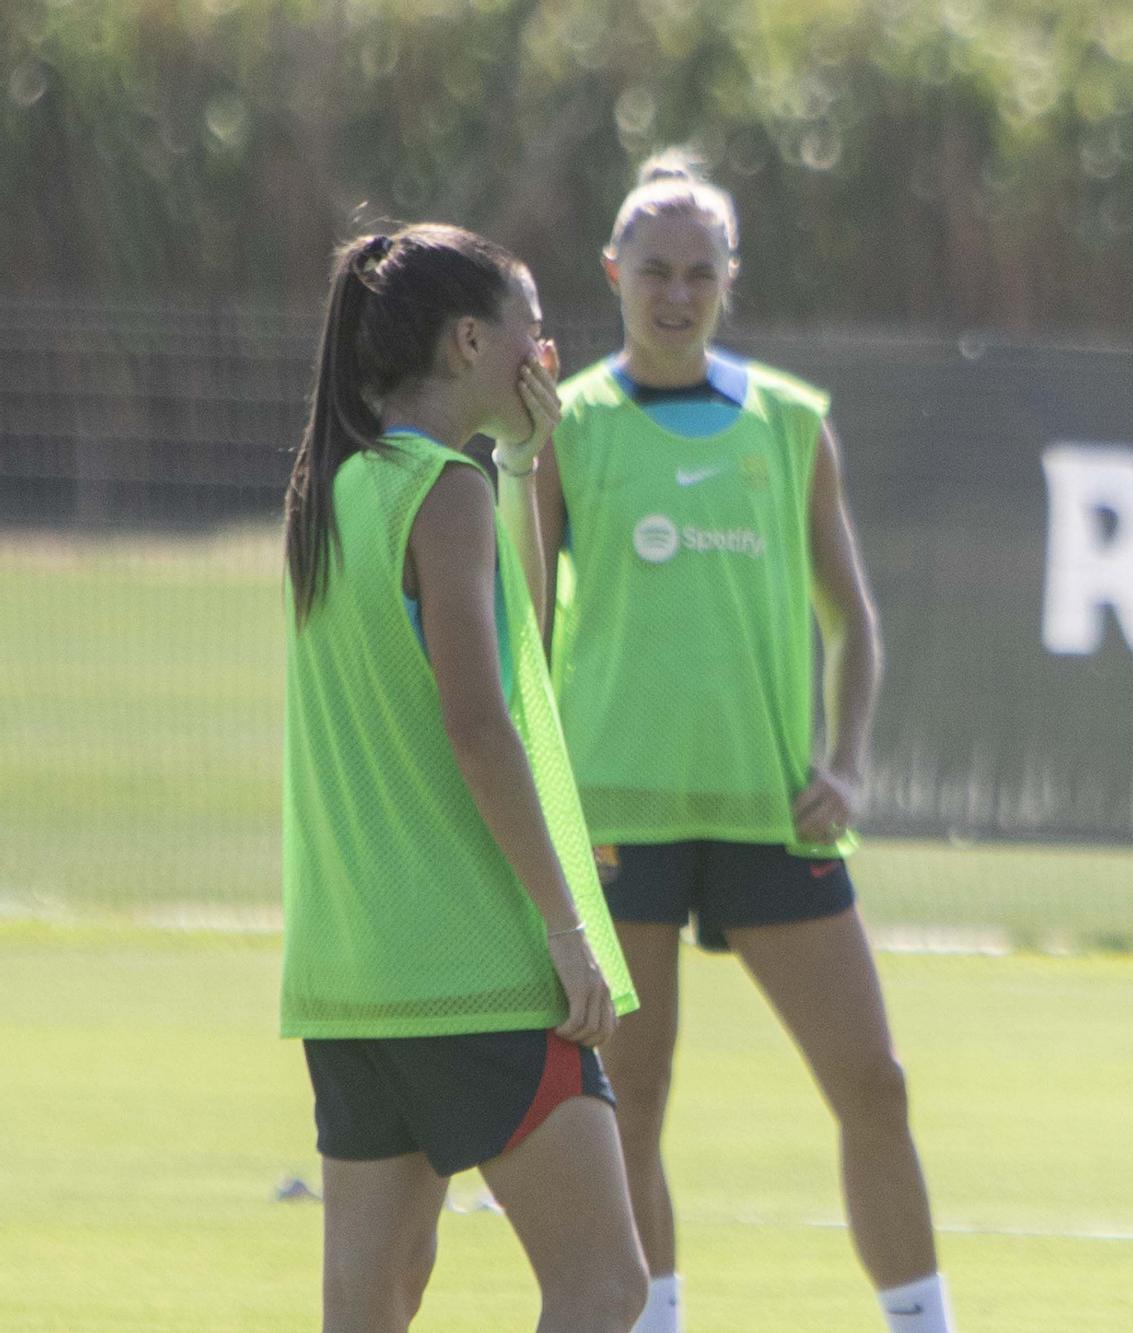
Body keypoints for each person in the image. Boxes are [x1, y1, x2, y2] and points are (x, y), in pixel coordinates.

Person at [529, 151, 956, 1333]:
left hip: (772, 811)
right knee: (637, 1100)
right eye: (654, 271)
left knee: (874, 1083)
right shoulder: (565, 429)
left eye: (698, 274)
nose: (675, 294)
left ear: (729, 283)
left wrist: (847, 762)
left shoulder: (786, 421)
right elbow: (516, 625)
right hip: (616, 819)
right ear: (613, 274)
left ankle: (923, 1321)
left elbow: (851, 620)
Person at [279, 223, 647, 1332]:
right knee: (605, 1283)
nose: (546, 351)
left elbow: (517, 645)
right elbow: (481, 731)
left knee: (376, 1296)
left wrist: (527, 466)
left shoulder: (331, 486)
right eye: (531, 327)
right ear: (470, 339)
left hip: (351, 976)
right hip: (474, 969)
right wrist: (568, 928)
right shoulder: (444, 493)